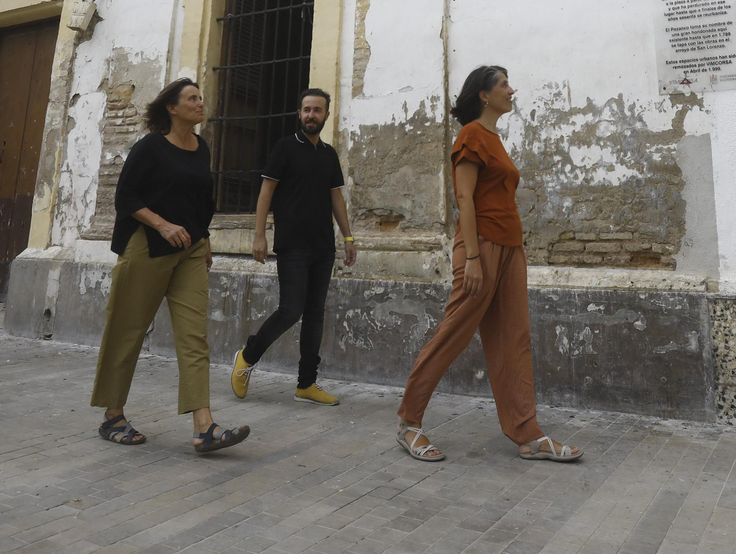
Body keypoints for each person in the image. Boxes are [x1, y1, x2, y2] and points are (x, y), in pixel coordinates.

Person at [393, 66, 582, 464]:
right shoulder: (471, 136)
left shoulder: (495, 138)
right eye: (503, 85)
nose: (512, 90)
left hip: (511, 248)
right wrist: (474, 259)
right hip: (481, 247)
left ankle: (526, 432)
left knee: (515, 338)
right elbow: (464, 199)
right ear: (484, 94)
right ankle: (409, 422)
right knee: (454, 333)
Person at [89, 77, 249, 454]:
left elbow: (200, 202)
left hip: (190, 249)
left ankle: (204, 427)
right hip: (146, 246)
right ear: (172, 109)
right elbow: (126, 196)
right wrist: (161, 223)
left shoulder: (201, 148)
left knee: (194, 336)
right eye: (191, 99)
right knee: (127, 330)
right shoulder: (150, 148)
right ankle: (113, 415)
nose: (200, 103)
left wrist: (204, 239)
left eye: (200, 98)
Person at [230, 88, 357, 405]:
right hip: (292, 245)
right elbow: (265, 193)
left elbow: (336, 197)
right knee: (291, 310)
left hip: (323, 246)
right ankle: (248, 356)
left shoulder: (328, 154)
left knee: (315, 315)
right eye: (306, 109)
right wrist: (259, 235)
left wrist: (348, 236)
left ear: (326, 115)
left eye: (317, 110)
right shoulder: (285, 148)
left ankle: (306, 384)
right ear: (299, 114)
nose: (311, 115)